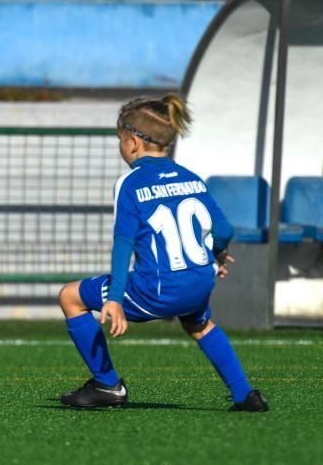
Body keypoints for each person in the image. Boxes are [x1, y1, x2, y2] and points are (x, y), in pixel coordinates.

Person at [57, 94, 269, 412]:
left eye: (119, 139)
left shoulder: (130, 183)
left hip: (156, 288)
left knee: (70, 296)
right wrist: (216, 255)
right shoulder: (190, 177)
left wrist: (114, 298)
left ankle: (107, 384)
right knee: (199, 325)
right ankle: (245, 395)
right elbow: (224, 230)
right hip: (199, 281)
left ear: (132, 142)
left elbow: (123, 243)